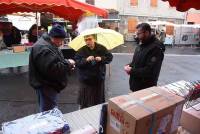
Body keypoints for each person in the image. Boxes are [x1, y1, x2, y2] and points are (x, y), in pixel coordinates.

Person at [29, 24, 75, 112]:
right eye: (60, 40)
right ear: (54, 37)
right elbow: (52, 69)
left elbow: (54, 60)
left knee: (47, 109)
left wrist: (67, 65)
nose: (61, 43)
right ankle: (49, 125)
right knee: (49, 112)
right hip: (47, 85)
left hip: (47, 84)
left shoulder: (48, 44)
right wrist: (68, 63)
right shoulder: (44, 48)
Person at [75, 34, 113, 109]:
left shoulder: (102, 48)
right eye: (86, 40)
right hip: (86, 79)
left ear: (94, 39)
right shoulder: (81, 50)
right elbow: (77, 63)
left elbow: (109, 57)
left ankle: (98, 113)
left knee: (98, 101)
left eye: (90, 39)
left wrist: (101, 58)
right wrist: (86, 60)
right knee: (85, 102)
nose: (88, 42)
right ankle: (83, 114)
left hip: (98, 78)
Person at [124, 23, 165, 92]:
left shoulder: (156, 48)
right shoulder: (142, 43)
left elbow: (150, 71)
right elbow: (138, 61)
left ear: (146, 33)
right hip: (136, 85)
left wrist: (131, 70)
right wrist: (129, 65)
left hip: (146, 88)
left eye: (139, 34)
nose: (136, 36)